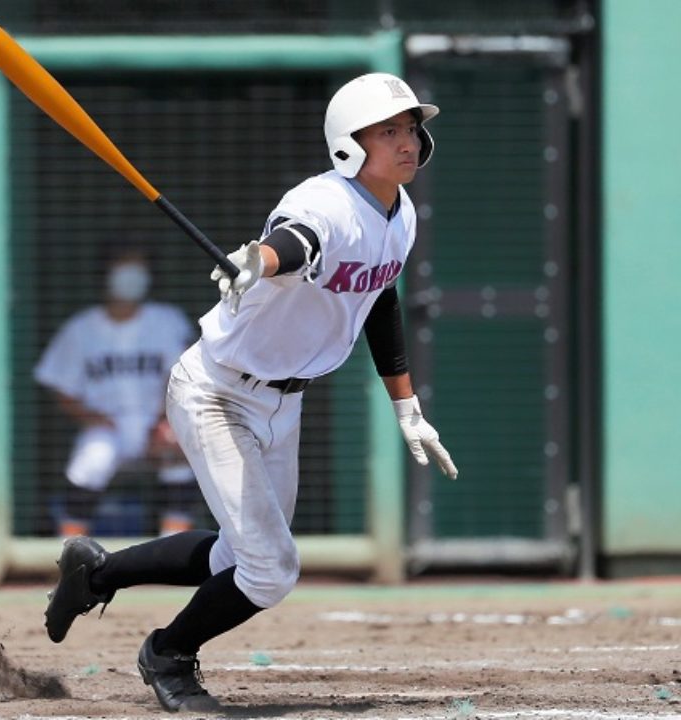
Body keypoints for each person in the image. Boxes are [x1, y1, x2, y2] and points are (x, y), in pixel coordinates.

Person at [42, 73, 459, 712]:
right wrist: (255, 262)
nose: (407, 142)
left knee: (238, 555)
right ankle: (169, 654)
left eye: (410, 130)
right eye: (389, 131)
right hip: (215, 393)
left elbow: (380, 301)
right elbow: (294, 244)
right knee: (270, 570)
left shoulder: (401, 215)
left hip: (282, 402)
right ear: (351, 144)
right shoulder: (323, 203)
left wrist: (408, 406)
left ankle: (96, 574)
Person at [34, 244, 197, 537]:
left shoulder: (168, 320)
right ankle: (70, 549)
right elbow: (58, 384)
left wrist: (167, 419)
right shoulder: (81, 328)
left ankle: (174, 545)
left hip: (158, 418)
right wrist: (89, 417)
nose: (132, 275)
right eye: (124, 265)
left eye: (139, 267)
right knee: (92, 459)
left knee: (178, 454)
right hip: (108, 424)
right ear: (106, 273)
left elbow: (187, 375)